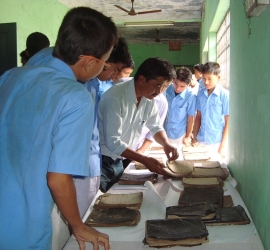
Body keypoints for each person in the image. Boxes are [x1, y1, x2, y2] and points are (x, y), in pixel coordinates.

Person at [0, 7, 118, 250]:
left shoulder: (11, 76)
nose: (103, 68)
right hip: (21, 225)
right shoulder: (75, 97)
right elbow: (58, 178)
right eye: (104, 62)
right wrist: (78, 226)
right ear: (89, 63)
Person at [98, 57, 179, 192]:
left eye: (165, 87)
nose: (160, 91)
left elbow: (155, 126)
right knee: (102, 201)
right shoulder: (115, 98)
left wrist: (166, 144)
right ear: (141, 79)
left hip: (121, 159)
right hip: (104, 161)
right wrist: (144, 159)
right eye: (158, 85)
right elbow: (113, 142)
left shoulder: (149, 98)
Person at [191, 62, 229, 158]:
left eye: (209, 79)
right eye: (204, 78)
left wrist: (223, 146)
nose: (206, 82)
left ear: (218, 78)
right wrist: (194, 137)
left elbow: (228, 122)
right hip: (201, 140)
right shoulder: (200, 94)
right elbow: (198, 116)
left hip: (216, 142)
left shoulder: (224, 95)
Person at [164, 67, 196, 147]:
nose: (178, 88)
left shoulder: (190, 96)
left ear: (188, 85)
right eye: (176, 84)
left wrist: (188, 136)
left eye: (182, 86)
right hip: (164, 132)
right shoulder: (167, 89)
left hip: (180, 135)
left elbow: (191, 118)